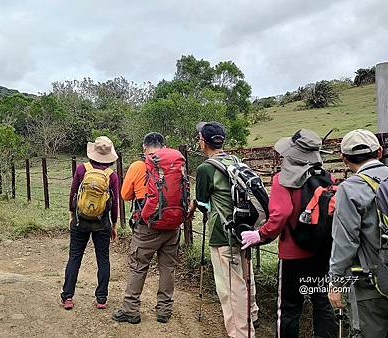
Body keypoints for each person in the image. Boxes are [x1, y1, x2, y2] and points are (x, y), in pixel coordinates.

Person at [241, 129, 338, 338]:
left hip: (293, 255)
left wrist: (261, 234)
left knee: (289, 307)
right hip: (321, 252)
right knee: (322, 302)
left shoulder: (281, 179)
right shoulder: (327, 177)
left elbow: (281, 213)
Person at [328, 129, 388, 337]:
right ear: (379, 152)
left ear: (345, 159)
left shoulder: (350, 189)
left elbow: (345, 242)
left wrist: (335, 283)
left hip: (370, 285)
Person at [190, 121, 258, 338]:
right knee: (246, 276)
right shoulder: (235, 161)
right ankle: (252, 313)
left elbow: (203, 205)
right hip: (245, 230)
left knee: (230, 287)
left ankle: (241, 332)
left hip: (222, 234)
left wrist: (194, 205)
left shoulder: (205, 168)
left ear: (203, 142)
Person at [112, 132, 181, 324]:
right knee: (168, 268)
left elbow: (125, 195)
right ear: (164, 146)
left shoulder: (138, 166)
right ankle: (164, 311)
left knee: (138, 266)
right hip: (173, 224)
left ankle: (131, 310)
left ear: (144, 147)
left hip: (147, 226)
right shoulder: (175, 165)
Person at [61, 136, 119, 310]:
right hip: (102, 223)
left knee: (74, 258)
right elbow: (115, 203)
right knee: (103, 259)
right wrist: (114, 225)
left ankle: (68, 297)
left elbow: (73, 194)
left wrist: (72, 215)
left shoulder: (81, 169)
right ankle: (101, 299)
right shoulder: (112, 175)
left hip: (80, 222)